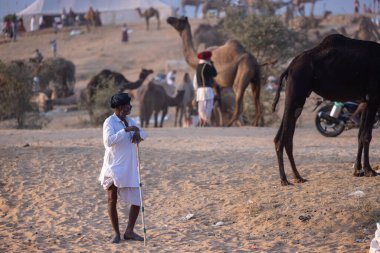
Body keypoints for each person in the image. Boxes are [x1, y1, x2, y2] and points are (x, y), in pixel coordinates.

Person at [99, 92, 145, 244]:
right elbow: (108, 141)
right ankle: (116, 233)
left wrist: (138, 133)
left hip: (129, 167)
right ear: (120, 107)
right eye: (127, 105)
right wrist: (125, 131)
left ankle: (129, 231)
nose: (130, 107)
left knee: (137, 200)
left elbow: (143, 132)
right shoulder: (109, 122)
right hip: (114, 167)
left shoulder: (130, 120)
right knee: (112, 200)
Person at [193, 50, 217, 127]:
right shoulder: (207, 66)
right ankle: (205, 120)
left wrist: (196, 90)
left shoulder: (197, 67)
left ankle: (201, 120)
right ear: (207, 58)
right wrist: (212, 65)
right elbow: (215, 74)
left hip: (199, 90)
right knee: (209, 106)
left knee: (201, 107)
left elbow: (195, 81)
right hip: (208, 90)